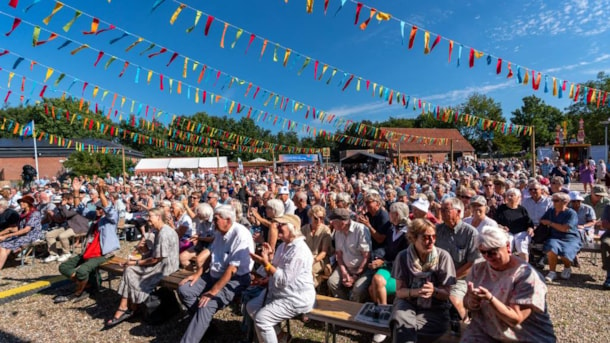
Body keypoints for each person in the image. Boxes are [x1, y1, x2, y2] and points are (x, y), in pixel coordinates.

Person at [462, 226, 556, 342]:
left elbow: (515, 319)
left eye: (492, 252)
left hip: (524, 336)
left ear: (507, 246)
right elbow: (466, 301)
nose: (487, 257)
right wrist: (471, 301)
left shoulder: (526, 276)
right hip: (487, 332)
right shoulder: (478, 268)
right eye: (483, 252)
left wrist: (490, 299)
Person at [177, 205, 254, 343]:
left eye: (216, 219)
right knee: (184, 289)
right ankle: (204, 324)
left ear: (228, 220)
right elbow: (212, 255)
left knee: (207, 304)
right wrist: (198, 274)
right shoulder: (219, 231)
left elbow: (232, 269)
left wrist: (213, 291)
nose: (213, 222)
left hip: (235, 280)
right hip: (215, 274)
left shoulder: (241, 235)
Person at [105, 207, 179, 327]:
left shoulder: (164, 233)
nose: (147, 219)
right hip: (164, 263)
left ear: (158, 217)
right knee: (129, 269)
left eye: (150, 216)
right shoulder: (161, 231)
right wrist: (137, 258)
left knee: (130, 270)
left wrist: (136, 263)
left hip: (165, 267)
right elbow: (154, 254)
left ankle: (126, 307)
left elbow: (157, 259)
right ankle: (130, 305)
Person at [246, 214, 316, 343]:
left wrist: (265, 263)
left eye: (281, 225)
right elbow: (276, 269)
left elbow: (283, 280)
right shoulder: (283, 246)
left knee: (262, 319)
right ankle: (281, 336)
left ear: (293, 228)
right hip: (280, 292)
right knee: (252, 307)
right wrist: (266, 271)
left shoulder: (300, 251)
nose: (277, 228)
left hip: (295, 297)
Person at [390, 218, 456, 342]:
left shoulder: (443, 257)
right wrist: (417, 292)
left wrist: (435, 291)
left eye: (434, 237)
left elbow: (447, 294)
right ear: (413, 238)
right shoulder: (403, 257)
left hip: (435, 307)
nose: (431, 241)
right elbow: (399, 292)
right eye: (426, 237)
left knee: (405, 331)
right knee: (401, 321)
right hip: (408, 302)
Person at [56, 179, 120, 302]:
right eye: (97, 208)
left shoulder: (111, 219)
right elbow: (79, 208)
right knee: (64, 267)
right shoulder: (95, 216)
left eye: (100, 209)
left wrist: (101, 194)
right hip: (89, 250)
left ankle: (78, 292)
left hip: (104, 253)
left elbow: (109, 210)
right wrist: (75, 192)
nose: (97, 210)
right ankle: (87, 284)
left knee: (82, 270)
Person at [368, 202, 411, 343]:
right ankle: (383, 315)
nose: (388, 215)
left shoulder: (408, 233)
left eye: (391, 213)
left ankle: (384, 320)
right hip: (388, 266)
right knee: (373, 286)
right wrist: (379, 258)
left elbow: (405, 260)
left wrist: (384, 262)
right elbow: (386, 247)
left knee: (377, 283)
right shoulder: (391, 227)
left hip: (401, 271)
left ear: (397, 215)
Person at [435, 197, 479, 333]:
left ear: (458, 212)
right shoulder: (437, 230)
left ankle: (465, 327)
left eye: (445, 210)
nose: (441, 212)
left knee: (452, 298)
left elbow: (472, 264)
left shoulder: (470, 233)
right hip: (438, 276)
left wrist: (450, 279)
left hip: (461, 279)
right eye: (441, 209)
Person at [327, 208, 372, 303]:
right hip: (345, 266)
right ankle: (344, 302)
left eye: (333, 221)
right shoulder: (338, 231)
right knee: (332, 282)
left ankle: (354, 308)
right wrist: (344, 272)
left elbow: (366, 256)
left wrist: (355, 276)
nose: (331, 223)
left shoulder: (360, 229)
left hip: (362, 268)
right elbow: (338, 255)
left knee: (358, 289)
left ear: (342, 222)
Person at [540, 192, 580, 282]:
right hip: (554, 236)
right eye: (553, 200)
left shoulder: (571, 213)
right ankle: (552, 272)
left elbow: (565, 228)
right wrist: (547, 222)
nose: (553, 202)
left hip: (569, 237)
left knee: (565, 252)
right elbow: (542, 220)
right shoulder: (551, 211)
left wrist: (550, 223)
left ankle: (567, 267)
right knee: (551, 248)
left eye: (556, 200)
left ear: (565, 202)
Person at [0, 195, 43, 271]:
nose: (21, 203)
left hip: (32, 235)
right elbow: (17, 228)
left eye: (23, 202)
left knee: (3, 245)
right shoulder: (23, 213)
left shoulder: (34, 214)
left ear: (28, 203)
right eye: (20, 202)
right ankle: (3, 262)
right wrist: (3, 233)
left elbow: (26, 230)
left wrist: (7, 236)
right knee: (4, 246)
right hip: (23, 234)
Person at [495, 188, 534, 262]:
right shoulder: (501, 209)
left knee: (521, 243)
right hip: (506, 232)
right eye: (508, 195)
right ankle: (507, 265)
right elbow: (496, 222)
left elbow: (529, 222)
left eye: (512, 195)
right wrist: (501, 227)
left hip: (521, 232)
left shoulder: (522, 209)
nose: (509, 197)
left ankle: (525, 265)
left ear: (518, 197)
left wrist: (530, 228)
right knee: (508, 241)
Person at [300, 205, 332, 288]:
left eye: (321, 218)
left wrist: (311, 261)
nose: (319, 220)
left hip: (319, 259)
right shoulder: (304, 229)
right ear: (311, 216)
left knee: (306, 271)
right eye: (316, 218)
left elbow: (323, 253)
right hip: (305, 257)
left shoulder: (325, 230)